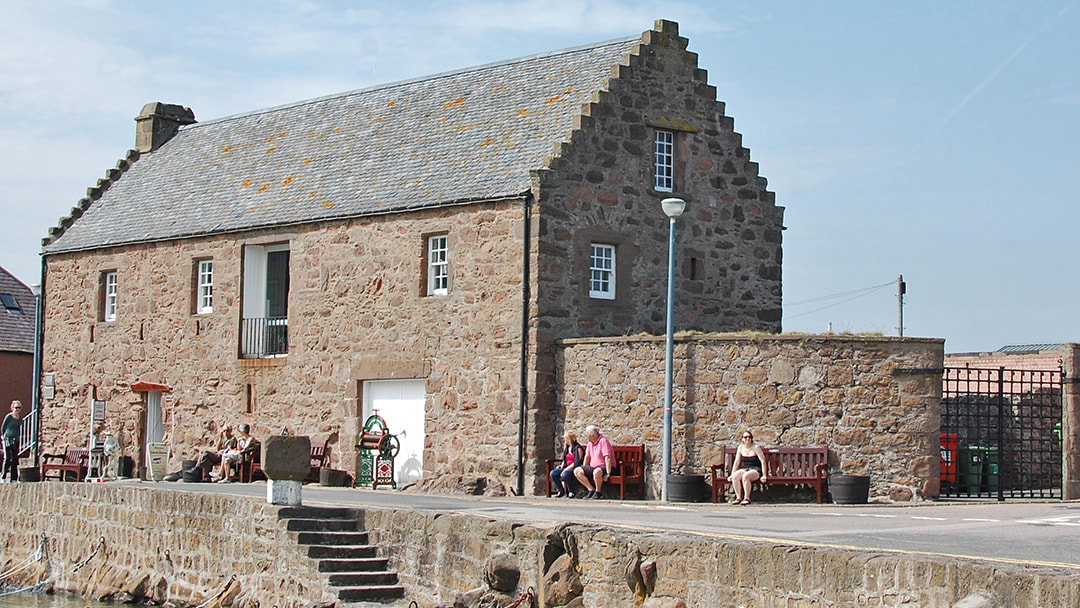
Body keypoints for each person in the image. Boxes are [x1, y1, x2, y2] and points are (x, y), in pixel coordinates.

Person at [574, 425, 615, 499]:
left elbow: (607, 457)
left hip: (604, 467)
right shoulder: (590, 443)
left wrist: (608, 473)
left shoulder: (603, 441)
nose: (586, 437)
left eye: (587, 435)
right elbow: (587, 456)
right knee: (577, 471)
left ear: (592, 435)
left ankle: (598, 492)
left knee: (597, 471)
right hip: (593, 466)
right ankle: (591, 489)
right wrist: (584, 468)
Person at [728, 429, 768, 505]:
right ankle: (738, 498)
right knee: (735, 476)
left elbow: (763, 461)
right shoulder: (740, 448)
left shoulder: (756, 448)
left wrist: (764, 475)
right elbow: (737, 462)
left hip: (755, 469)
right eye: (745, 437)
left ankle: (747, 498)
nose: (748, 439)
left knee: (746, 476)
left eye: (749, 437)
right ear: (742, 439)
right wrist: (732, 474)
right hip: (744, 468)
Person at [549, 431, 585, 498]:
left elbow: (576, 462)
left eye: (566, 438)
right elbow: (565, 459)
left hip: (574, 468)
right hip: (567, 467)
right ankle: (561, 491)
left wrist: (566, 469)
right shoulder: (567, 448)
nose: (564, 440)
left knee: (565, 474)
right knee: (553, 473)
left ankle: (571, 492)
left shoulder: (578, 448)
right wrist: (561, 466)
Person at [1, 401, 24, 483]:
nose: (17, 409)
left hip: (15, 440)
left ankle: (13, 478)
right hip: (7, 439)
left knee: (14, 459)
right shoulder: (9, 417)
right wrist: (3, 437)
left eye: (19, 408)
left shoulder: (20, 418)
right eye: (16, 407)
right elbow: (3, 427)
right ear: (12, 408)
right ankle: (3, 476)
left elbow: (19, 428)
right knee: (7, 458)